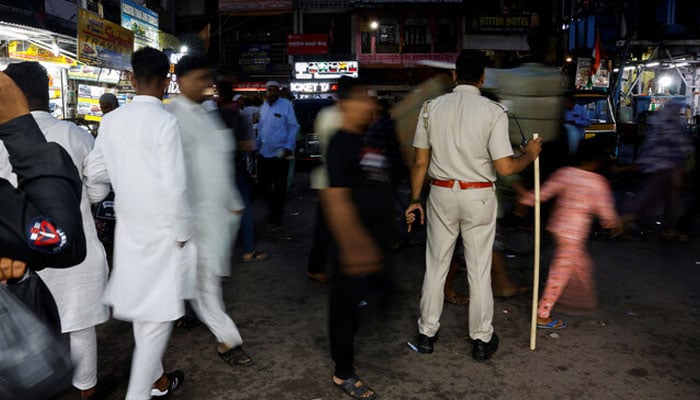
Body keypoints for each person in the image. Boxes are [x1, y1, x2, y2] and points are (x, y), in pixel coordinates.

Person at [404, 51, 542, 361]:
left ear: (454, 76)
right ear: (482, 78)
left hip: (440, 194)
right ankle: (481, 340)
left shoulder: (430, 109)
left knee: (436, 266)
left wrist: (415, 199)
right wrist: (530, 154)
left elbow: (419, 162)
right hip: (478, 196)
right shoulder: (493, 111)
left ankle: (427, 334)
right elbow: (506, 168)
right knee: (479, 269)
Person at [84, 47, 192, 400]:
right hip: (161, 235)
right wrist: (182, 235)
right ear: (166, 81)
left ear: (131, 78)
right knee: (156, 321)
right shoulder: (166, 122)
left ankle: (156, 383)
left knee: (146, 318)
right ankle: (138, 394)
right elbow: (175, 185)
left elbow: (96, 175)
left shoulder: (112, 121)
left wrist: (96, 197)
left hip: (129, 234)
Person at [2, 62, 112, 400]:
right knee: (80, 329)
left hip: (16, 258)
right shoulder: (75, 134)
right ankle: (86, 392)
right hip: (73, 250)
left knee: (21, 334)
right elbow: (98, 188)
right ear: (47, 90)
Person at [167, 55, 253, 366]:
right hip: (192, 217)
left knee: (201, 281)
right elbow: (174, 174)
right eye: (200, 78)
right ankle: (228, 340)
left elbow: (218, 164)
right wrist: (181, 220)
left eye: (208, 78)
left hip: (218, 214)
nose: (206, 84)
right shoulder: (172, 116)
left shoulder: (207, 112)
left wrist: (233, 203)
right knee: (205, 284)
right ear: (181, 81)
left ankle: (182, 316)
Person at [321, 76, 392, 400]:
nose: (370, 104)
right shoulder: (341, 142)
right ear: (345, 104)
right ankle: (343, 372)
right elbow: (335, 199)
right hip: (354, 246)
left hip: (372, 240)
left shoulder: (367, 138)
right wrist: (353, 247)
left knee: (363, 305)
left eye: (370, 98)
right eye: (363, 99)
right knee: (344, 310)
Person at [520, 140, 623, 327]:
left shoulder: (566, 174)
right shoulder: (597, 183)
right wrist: (613, 223)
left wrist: (527, 199)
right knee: (560, 273)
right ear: (598, 162)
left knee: (582, 265)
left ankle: (576, 302)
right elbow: (605, 210)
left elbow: (543, 193)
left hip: (558, 228)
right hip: (574, 235)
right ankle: (543, 313)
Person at [621, 100, 693, 241]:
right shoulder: (673, 128)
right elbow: (679, 151)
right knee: (654, 199)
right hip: (666, 170)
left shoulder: (659, 125)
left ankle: (666, 228)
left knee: (656, 198)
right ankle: (622, 222)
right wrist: (679, 171)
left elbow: (649, 147)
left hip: (654, 168)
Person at [216, 81, 268, 263]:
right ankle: (248, 250)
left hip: (216, 171)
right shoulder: (238, 116)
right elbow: (247, 145)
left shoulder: (212, 115)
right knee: (245, 208)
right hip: (234, 170)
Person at [256, 80, 299, 228]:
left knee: (280, 187)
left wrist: (289, 146)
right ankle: (273, 211)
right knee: (263, 186)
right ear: (266, 92)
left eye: (274, 90)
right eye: (269, 90)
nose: (271, 93)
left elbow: (293, 126)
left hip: (281, 153)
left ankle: (277, 216)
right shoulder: (264, 107)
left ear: (279, 92)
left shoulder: (286, 105)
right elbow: (261, 129)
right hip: (264, 153)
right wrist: (257, 145)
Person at [307, 102, 341, 284]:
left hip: (330, 181)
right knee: (326, 229)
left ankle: (317, 267)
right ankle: (317, 268)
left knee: (326, 228)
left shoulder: (327, 114)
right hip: (331, 182)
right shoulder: (335, 117)